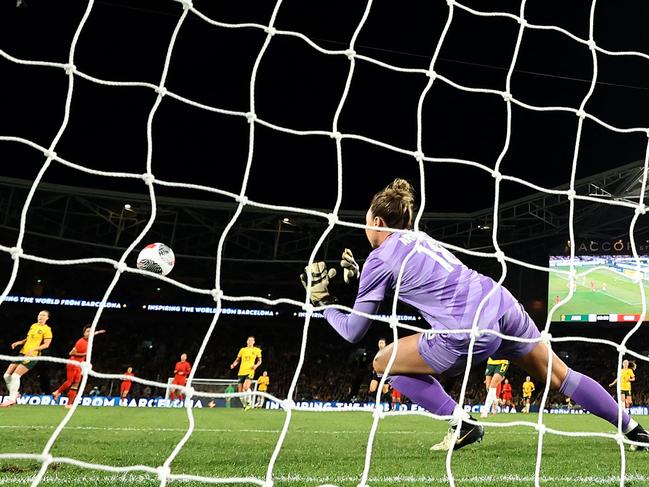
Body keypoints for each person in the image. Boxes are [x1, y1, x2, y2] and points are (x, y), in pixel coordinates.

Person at [301, 178, 649, 452]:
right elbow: (418, 277)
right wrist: (362, 276)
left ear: (377, 221)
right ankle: (634, 430)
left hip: (466, 329)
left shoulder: (379, 258)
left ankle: (461, 423)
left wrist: (325, 302)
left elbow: (353, 331)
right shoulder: (420, 239)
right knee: (562, 376)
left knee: (382, 362)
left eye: (366, 224)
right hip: (501, 303)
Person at [2, 310, 53, 407]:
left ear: (47, 318)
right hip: (22, 353)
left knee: (15, 376)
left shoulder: (47, 329)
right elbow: (28, 339)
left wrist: (33, 349)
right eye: (39, 314)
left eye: (43, 315)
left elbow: (46, 345)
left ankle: (11, 399)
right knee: (6, 376)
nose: (41, 316)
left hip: (33, 356)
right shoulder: (33, 326)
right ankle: (15, 394)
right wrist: (19, 342)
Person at [52, 325, 106, 408]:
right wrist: (84, 354)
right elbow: (71, 353)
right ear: (84, 333)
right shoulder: (80, 342)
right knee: (70, 381)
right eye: (88, 331)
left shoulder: (89, 340)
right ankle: (57, 392)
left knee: (76, 384)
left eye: (91, 331)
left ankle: (69, 404)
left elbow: (92, 334)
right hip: (73, 363)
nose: (90, 333)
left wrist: (97, 332)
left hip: (79, 364)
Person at [230, 336, 262, 411]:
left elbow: (260, 361)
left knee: (246, 387)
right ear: (247, 341)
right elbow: (238, 360)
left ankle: (249, 403)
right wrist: (233, 364)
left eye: (252, 340)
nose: (250, 342)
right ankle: (245, 405)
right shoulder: (242, 350)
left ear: (254, 342)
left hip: (250, 371)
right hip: (241, 372)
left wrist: (256, 366)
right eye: (249, 340)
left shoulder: (257, 350)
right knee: (240, 391)